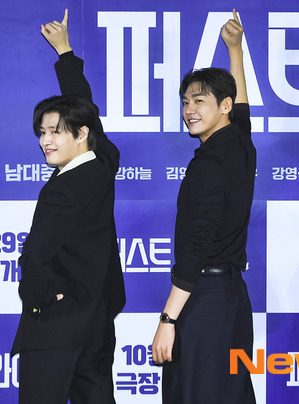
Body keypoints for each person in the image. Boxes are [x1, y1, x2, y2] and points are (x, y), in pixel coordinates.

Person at [11, 9, 126, 404]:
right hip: (97, 323)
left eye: (56, 132)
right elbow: (85, 108)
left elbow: (34, 256)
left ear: (80, 135)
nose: (46, 141)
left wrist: (41, 301)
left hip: (55, 328)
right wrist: (65, 54)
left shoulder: (61, 190)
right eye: (42, 132)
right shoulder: (104, 162)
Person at [151, 9, 256, 404]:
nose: (189, 110)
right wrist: (235, 50)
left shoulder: (210, 163)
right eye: (185, 102)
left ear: (223, 106)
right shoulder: (240, 144)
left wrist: (168, 319)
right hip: (232, 300)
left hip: (204, 300)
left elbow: (196, 246)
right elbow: (242, 110)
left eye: (199, 101)